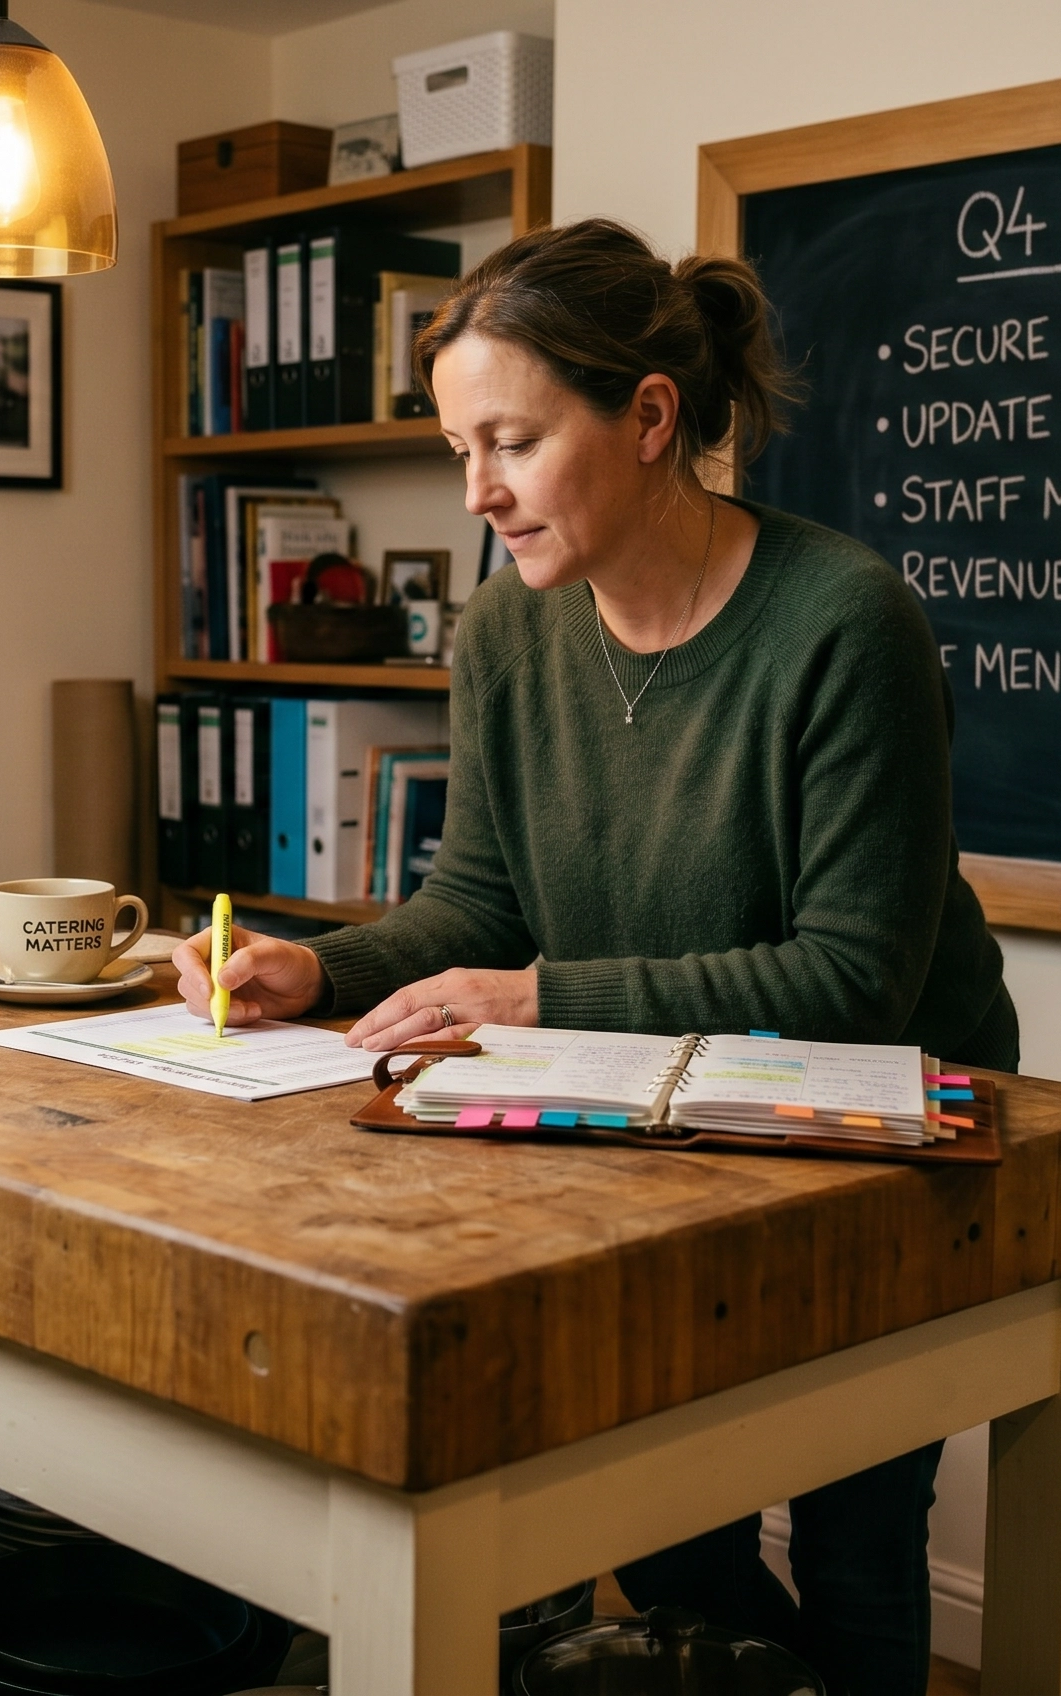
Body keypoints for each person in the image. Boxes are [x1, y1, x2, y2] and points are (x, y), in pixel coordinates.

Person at [171, 219, 1017, 1696]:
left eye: (513, 440)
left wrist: (542, 996)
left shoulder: (844, 621)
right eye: (458, 448)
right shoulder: (510, 630)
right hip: (654, 1137)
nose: (480, 490)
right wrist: (320, 968)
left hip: (883, 1144)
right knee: (666, 1507)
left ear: (647, 418)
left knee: (858, 1537)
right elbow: (480, 911)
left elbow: (846, 984)